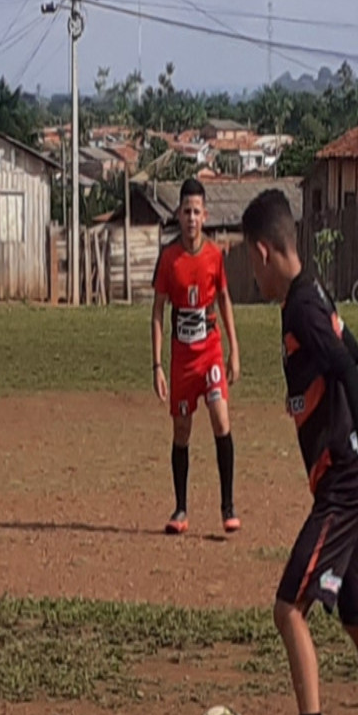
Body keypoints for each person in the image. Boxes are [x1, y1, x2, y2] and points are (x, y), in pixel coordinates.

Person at [241, 188, 358, 715]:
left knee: (290, 609)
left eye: (249, 260)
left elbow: (346, 367)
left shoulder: (298, 308)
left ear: (263, 251)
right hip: (350, 478)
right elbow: (352, 350)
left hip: (344, 483)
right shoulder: (315, 295)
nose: (250, 272)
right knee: (354, 604)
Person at [151, 177, 241, 535]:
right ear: (178, 215)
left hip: (211, 354)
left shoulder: (214, 257)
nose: (191, 218)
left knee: (221, 419)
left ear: (206, 216)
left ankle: (228, 506)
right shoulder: (169, 259)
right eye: (186, 211)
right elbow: (158, 311)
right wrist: (157, 364)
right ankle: (181, 509)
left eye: (196, 211)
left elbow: (224, 300)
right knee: (182, 431)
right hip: (182, 360)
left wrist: (234, 350)